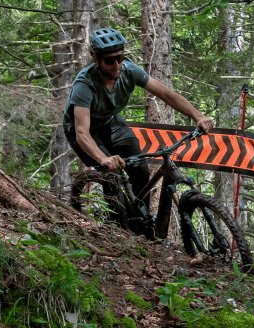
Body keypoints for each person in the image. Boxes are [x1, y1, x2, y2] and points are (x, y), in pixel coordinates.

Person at [63, 28, 213, 209]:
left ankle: (141, 219)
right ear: (96, 60)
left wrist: (198, 116)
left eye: (119, 58)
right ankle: (116, 221)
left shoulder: (129, 70)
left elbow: (166, 94)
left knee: (141, 170)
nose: (116, 65)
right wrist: (103, 158)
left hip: (110, 121)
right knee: (112, 174)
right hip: (84, 130)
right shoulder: (84, 85)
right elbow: (82, 132)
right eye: (110, 61)